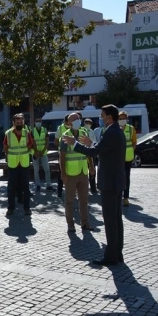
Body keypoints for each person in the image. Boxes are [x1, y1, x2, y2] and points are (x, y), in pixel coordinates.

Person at [63, 104, 126, 266]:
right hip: (116, 182)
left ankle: (111, 256)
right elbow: (102, 149)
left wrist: (75, 143)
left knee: (111, 221)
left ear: (109, 117)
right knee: (116, 220)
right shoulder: (116, 131)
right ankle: (117, 253)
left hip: (110, 183)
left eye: (102, 116)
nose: (101, 118)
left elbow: (94, 153)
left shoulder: (111, 132)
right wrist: (91, 143)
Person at [60, 113, 95, 233]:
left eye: (78, 118)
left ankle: (85, 223)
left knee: (84, 200)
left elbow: (88, 151)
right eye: (74, 119)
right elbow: (62, 156)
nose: (78, 120)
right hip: (71, 173)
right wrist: (63, 173)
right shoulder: (65, 136)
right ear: (69, 123)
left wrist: (91, 166)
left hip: (83, 171)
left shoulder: (83, 133)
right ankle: (71, 225)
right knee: (69, 200)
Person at [4, 113, 34, 216]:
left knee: (26, 187)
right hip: (13, 164)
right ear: (14, 122)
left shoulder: (27, 133)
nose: (19, 124)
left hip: (24, 163)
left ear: (24, 122)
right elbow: (5, 148)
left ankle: (27, 208)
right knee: (11, 187)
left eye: (21, 122)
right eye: (17, 122)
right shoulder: (8, 133)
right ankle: (10, 208)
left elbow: (30, 145)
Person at [118, 111, 137, 207]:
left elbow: (134, 142)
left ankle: (125, 197)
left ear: (127, 119)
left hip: (128, 157)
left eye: (123, 118)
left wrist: (131, 152)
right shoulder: (116, 128)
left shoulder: (131, 128)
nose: (122, 120)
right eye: (120, 119)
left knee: (126, 178)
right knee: (118, 177)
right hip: (118, 158)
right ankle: (118, 196)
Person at [31, 117, 53, 192]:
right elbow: (32, 142)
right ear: (34, 122)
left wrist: (43, 151)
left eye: (39, 121)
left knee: (47, 169)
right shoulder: (32, 131)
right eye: (37, 121)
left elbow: (47, 141)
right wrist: (36, 152)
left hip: (43, 152)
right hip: (35, 152)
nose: (38, 122)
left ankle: (48, 185)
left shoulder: (44, 130)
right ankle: (38, 185)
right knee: (36, 170)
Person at [54, 114, 72, 199]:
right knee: (61, 171)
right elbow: (56, 141)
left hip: (72, 154)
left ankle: (72, 191)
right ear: (65, 121)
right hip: (62, 153)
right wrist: (62, 145)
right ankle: (60, 191)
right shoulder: (60, 128)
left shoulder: (74, 128)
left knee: (72, 172)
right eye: (68, 121)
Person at [83, 119, 98, 194]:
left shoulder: (92, 131)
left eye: (89, 123)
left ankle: (93, 188)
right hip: (83, 154)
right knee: (84, 172)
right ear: (84, 123)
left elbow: (94, 142)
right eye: (87, 123)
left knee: (92, 171)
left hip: (91, 153)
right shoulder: (82, 131)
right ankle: (84, 188)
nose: (88, 124)